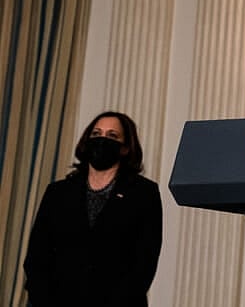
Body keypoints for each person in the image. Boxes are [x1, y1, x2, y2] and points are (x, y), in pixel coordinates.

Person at [23, 111, 163, 307]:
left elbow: (144, 263)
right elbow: (37, 256)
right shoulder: (58, 192)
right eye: (96, 134)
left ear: (125, 147)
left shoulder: (143, 193)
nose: (102, 140)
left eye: (112, 135)